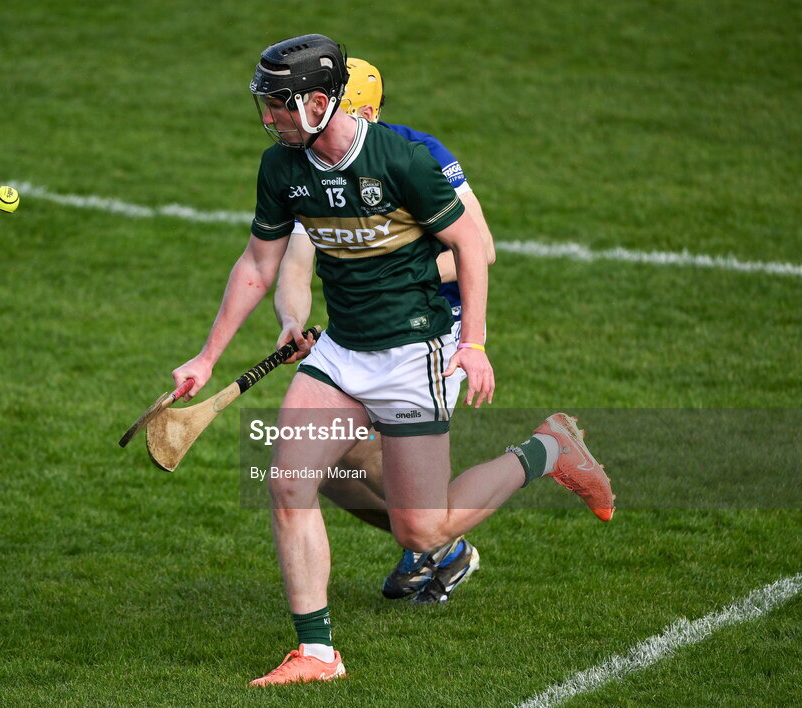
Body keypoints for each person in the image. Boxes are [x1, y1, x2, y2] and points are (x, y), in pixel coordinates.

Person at [171, 34, 614, 686]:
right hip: (342, 351)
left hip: (414, 354)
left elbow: (470, 243)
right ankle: (317, 654)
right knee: (290, 481)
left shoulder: (403, 159)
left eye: (278, 106)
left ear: (320, 102)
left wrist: (476, 343)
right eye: (263, 105)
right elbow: (263, 261)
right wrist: (210, 357)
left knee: (420, 529)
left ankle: (549, 449)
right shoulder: (283, 168)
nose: (267, 118)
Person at [274, 56, 496, 607]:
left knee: (411, 507)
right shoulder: (314, 163)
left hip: (426, 335)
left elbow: (479, 249)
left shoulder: (416, 157)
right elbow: (296, 264)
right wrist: (292, 320)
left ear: (363, 111)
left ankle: (435, 536)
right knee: (312, 465)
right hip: (357, 337)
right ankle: (435, 546)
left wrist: (388, 277)